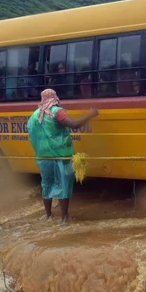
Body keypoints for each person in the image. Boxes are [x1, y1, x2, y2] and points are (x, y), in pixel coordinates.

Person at [27, 89, 98, 224]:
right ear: (55, 97)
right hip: (61, 157)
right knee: (63, 185)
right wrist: (91, 114)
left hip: (44, 158)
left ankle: (48, 215)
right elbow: (74, 124)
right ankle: (64, 218)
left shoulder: (35, 115)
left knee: (46, 184)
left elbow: (31, 134)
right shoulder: (57, 112)